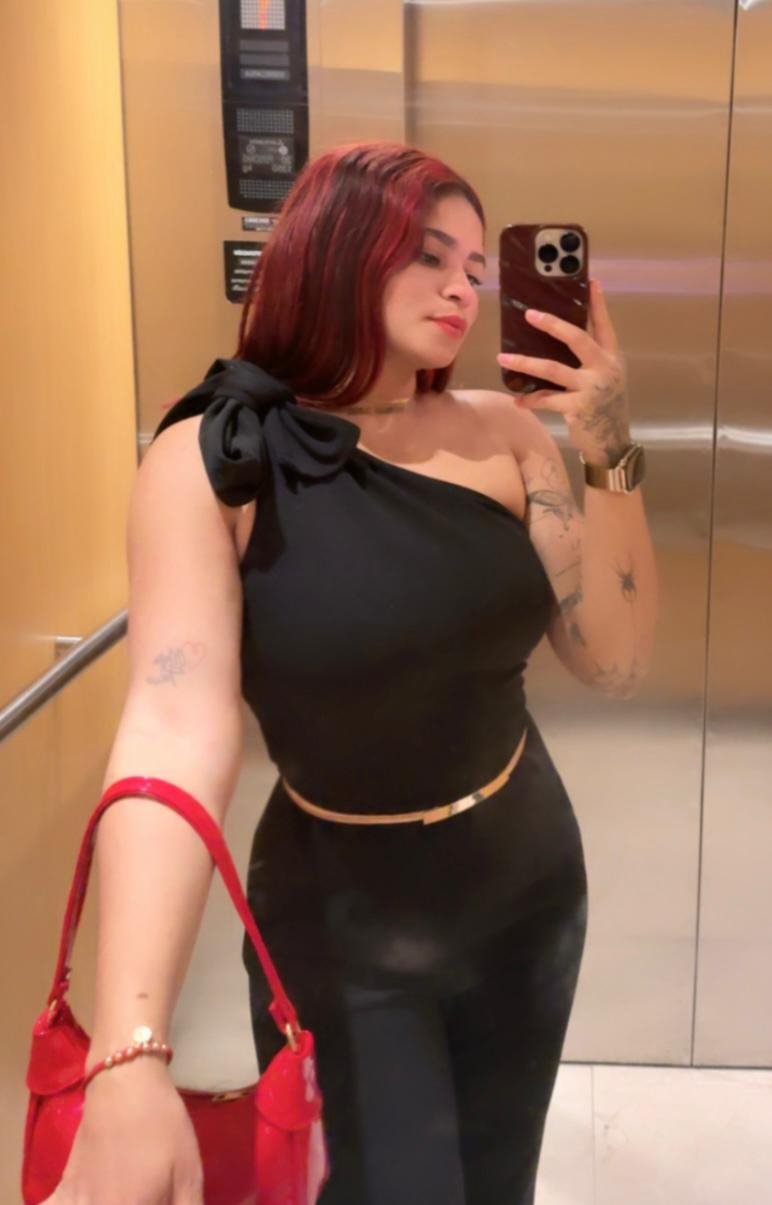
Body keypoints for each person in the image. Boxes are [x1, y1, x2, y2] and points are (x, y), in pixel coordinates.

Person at [45, 140, 643, 1205]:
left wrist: (610, 447)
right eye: (428, 254)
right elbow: (172, 725)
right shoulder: (215, 459)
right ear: (333, 248)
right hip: (337, 923)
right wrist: (131, 1044)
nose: (461, 287)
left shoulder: (507, 435)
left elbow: (613, 661)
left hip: (527, 888)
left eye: (475, 266)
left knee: (497, 1183)